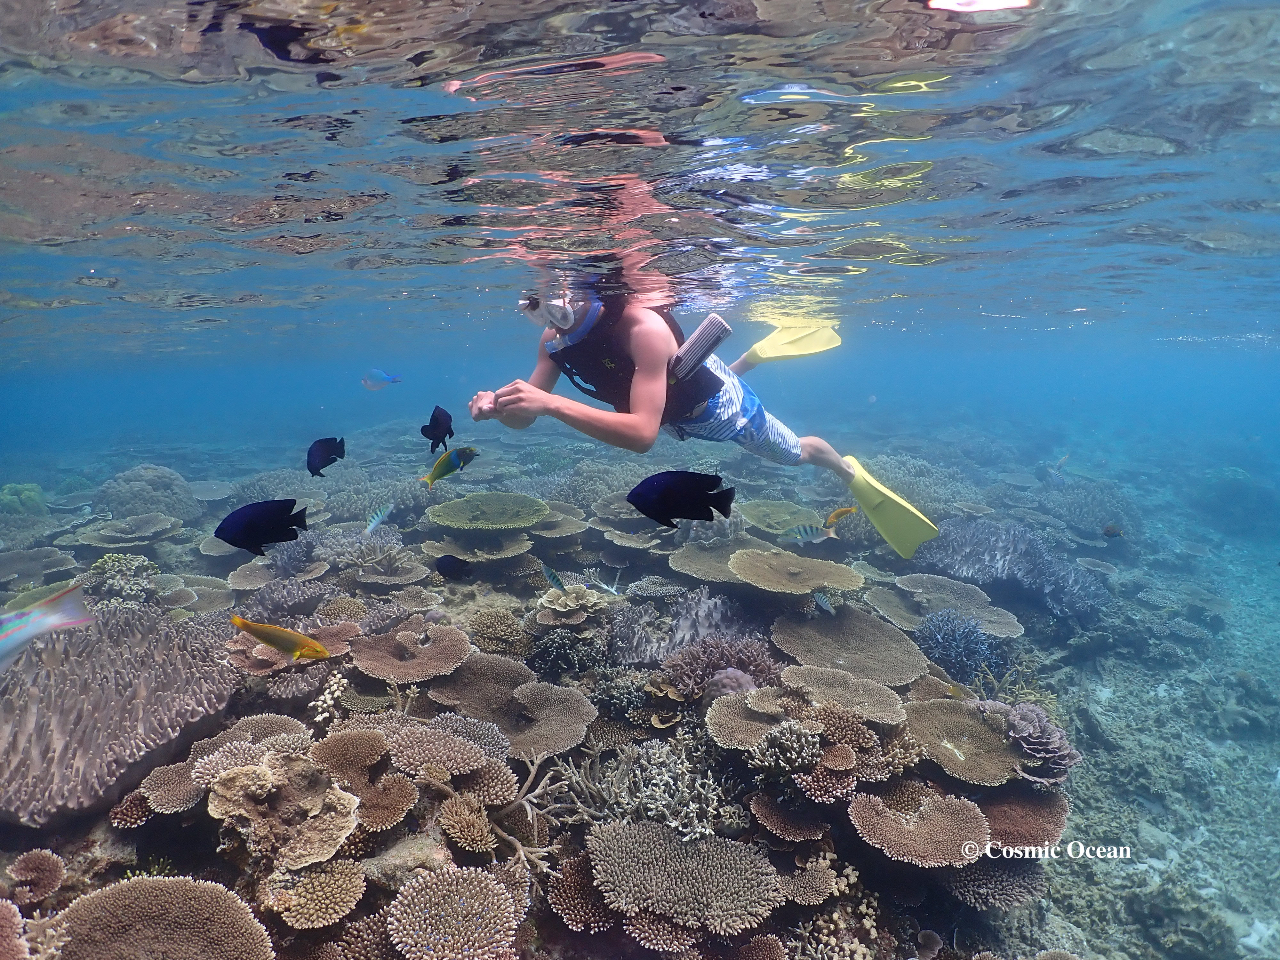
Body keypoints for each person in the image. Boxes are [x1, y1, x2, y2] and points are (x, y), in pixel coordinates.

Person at [469, 283, 938, 558]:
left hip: (721, 412)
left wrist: (550, 404)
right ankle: (748, 358)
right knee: (678, 388)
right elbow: (525, 421)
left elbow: (641, 436)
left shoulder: (642, 328)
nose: (553, 314)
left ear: (591, 291)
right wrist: (502, 411)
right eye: (536, 304)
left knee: (792, 453)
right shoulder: (554, 342)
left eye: (561, 300)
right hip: (676, 406)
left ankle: (845, 468)